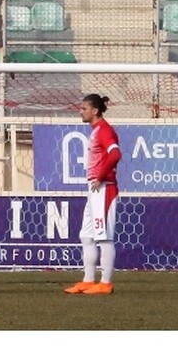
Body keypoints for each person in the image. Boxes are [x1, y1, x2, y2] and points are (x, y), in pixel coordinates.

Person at [64, 93, 123, 295]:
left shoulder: (104, 130)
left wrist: (100, 176)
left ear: (94, 110)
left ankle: (106, 283)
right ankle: (89, 280)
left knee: (104, 237)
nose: (81, 111)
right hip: (94, 188)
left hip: (104, 187)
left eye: (83, 108)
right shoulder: (96, 130)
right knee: (86, 236)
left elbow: (115, 154)